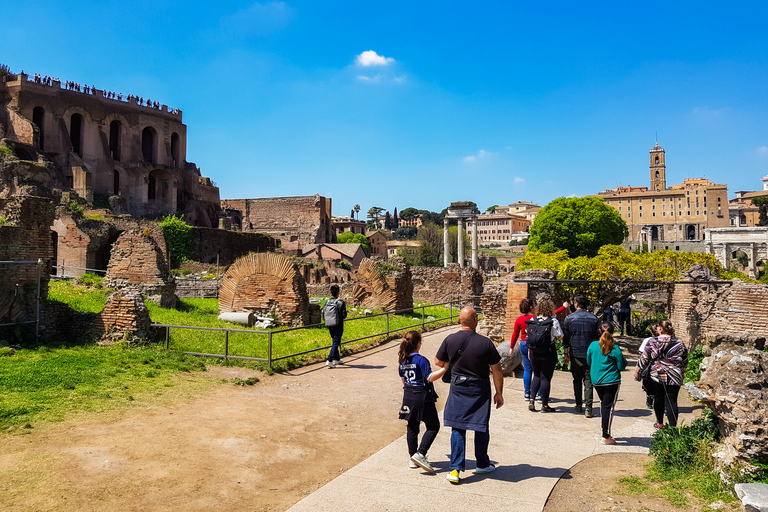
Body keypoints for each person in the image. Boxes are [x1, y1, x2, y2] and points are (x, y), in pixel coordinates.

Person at [435, 307, 504, 485]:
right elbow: (497, 370)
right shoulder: (486, 342)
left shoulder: (450, 339)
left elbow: (438, 362)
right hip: (479, 387)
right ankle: (482, 463)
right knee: (481, 425)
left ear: (460, 320)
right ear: (474, 320)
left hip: (458, 386)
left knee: (458, 426)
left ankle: (455, 469)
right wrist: (499, 393)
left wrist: (451, 362)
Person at [398, 331, 445, 473]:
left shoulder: (402, 360)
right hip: (422, 396)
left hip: (408, 396)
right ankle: (420, 453)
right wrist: (444, 369)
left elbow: (403, 380)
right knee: (433, 426)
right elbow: (430, 377)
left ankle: (412, 457)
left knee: (412, 427)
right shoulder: (421, 360)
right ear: (418, 344)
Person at [511, 299, 569, 401]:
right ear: (531, 308)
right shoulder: (538, 319)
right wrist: (564, 307)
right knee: (541, 373)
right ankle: (540, 395)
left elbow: (515, 334)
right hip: (543, 347)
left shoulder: (522, 320)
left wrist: (511, 347)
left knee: (528, 370)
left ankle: (527, 394)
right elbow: (554, 315)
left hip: (526, 344)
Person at [634, 320, 688, 428]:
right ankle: (673, 428)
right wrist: (682, 370)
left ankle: (660, 423)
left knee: (658, 398)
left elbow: (644, 358)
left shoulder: (652, 342)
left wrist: (637, 371)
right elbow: (685, 360)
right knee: (672, 401)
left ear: (659, 329)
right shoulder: (679, 342)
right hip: (675, 375)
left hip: (657, 375)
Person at [587, 322, 627, 444]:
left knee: (604, 405)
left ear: (599, 331)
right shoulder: (615, 348)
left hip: (597, 380)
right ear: (613, 332)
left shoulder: (593, 345)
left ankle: (606, 432)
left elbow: (589, 361)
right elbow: (621, 366)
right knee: (608, 408)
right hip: (611, 381)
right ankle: (606, 435)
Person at [562, 295, 600, 417]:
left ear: (576, 304)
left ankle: (578, 405)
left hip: (575, 353)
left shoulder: (569, 318)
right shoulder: (594, 319)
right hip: (589, 354)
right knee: (588, 381)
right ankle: (588, 408)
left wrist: (566, 354)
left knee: (577, 381)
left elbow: (566, 339)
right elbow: (597, 338)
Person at [526, 298, 563, 413]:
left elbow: (528, 336)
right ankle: (545, 405)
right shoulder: (553, 321)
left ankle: (531, 400)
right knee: (546, 377)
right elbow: (560, 335)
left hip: (534, 352)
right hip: (548, 352)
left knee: (536, 375)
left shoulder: (532, 320)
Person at [324, 284, 347, 368]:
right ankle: (329, 360)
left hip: (329, 324)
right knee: (336, 342)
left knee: (335, 341)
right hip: (338, 324)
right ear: (338, 292)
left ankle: (337, 359)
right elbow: (344, 315)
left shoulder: (327, 302)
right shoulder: (340, 302)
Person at [639, 322, 661, 408]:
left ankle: (650, 398)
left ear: (651, 331)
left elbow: (641, 352)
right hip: (662, 365)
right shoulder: (666, 340)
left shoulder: (647, 340)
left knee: (648, 383)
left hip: (649, 366)